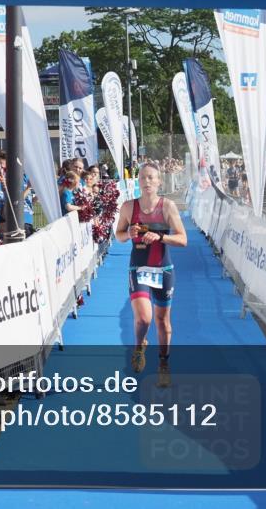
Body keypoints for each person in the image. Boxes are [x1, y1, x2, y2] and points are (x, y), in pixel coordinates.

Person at [115, 163, 187, 388]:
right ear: (137, 181)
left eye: (151, 178)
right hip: (138, 269)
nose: (146, 182)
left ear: (159, 182)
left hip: (163, 270)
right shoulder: (128, 207)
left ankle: (163, 364)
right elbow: (118, 236)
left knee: (162, 322)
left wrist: (160, 238)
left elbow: (183, 239)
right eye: (143, 178)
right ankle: (139, 346)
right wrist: (128, 233)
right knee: (144, 318)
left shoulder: (167, 206)